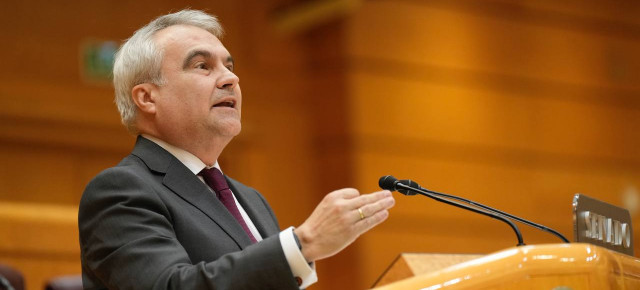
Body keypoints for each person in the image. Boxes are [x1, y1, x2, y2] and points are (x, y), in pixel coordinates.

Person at [78, 9, 395, 289]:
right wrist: (303, 244)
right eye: (203, 65)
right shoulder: (120, 191)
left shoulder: (251, 200)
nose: (231, 78)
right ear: (147, 98)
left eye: (229, 66)